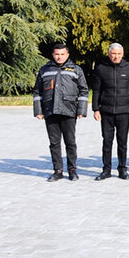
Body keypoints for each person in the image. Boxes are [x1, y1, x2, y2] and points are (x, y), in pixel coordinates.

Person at [33, 43, 89, 182]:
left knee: (70, 142)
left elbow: (83, 91)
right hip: (50, 111)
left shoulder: (76, 69)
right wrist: (38, 111)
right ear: (52, 55)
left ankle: (72, 170)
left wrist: (81, 110)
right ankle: (58, 170)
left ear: (67, 55)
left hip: (69, 111)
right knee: (54, 142)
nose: (59, 57)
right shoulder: (44, 70)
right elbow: (37, 91)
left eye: (62, 54)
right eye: (56, 54)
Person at [91, 42, 129, 181]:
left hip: (124, 111)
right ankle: (106, 170)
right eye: (113, 54)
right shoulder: (101, 68)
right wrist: (96, 109)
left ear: (122, 54)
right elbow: (96, 91)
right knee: (107, 141)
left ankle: (122, 169)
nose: (116, 56)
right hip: (106, 111)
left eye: (118, 54)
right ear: (109, 54)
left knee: (122, 142)